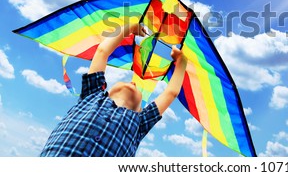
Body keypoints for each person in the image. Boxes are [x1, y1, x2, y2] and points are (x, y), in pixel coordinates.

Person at [40, 22, 187, 157]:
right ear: (107, 91)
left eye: (136, 87)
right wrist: (130, 28)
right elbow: (102, 51)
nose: (133, 83)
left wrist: (182, 62)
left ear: (140, 110)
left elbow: (171, 92)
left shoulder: (140, 122)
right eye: (130, 81)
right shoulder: (93, 94)